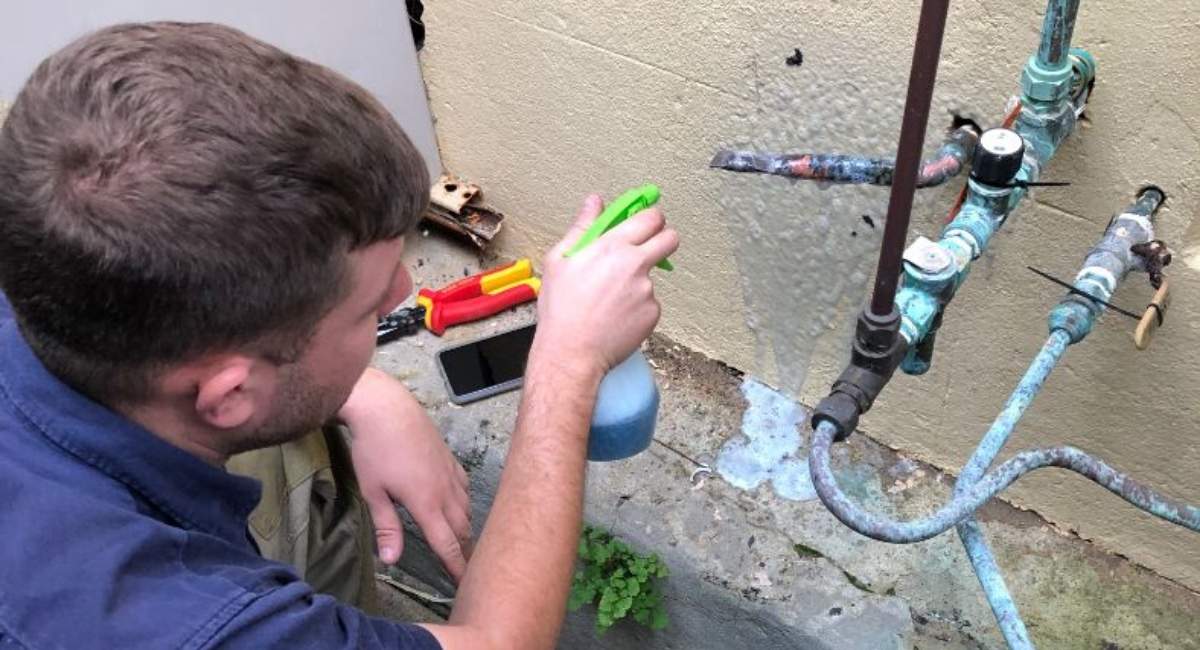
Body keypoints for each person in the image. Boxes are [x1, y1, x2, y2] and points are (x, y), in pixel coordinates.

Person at [0, 21, 677, 650]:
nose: (405, 295)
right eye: (368, 312)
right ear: (229, 394)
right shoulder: (176, 621)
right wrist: (566, 363)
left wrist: (364, 393)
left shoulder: (48, 248)